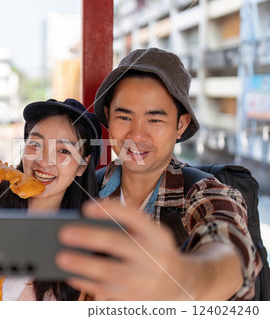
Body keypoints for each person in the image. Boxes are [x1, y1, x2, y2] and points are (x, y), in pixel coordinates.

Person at [55, 48, 263, 300]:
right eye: (124, 117)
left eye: (154, 120)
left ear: (181, 125)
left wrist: (181, 279)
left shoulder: (204, 193)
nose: (136, 136)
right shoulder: (87, 189)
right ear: (108, 117)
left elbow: (230, 253)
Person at [0, 98, 102, 301]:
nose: (44, 161)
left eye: (64, 151)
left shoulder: (84, 245)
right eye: (35, 144)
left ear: (82, 165)